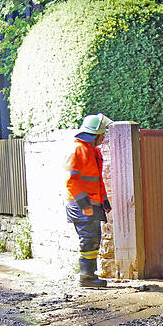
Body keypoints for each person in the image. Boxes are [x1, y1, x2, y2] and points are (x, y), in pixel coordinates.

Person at [65, 113, 114, 288]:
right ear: (94, 134)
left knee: (93, 238)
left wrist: (104, 201)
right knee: (89, 239)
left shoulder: (92, 151)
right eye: (102, 134)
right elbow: (72, 180)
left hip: (91, 203)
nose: (103, 137)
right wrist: (85, 205)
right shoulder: (78, 149)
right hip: (81, 205)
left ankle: (89, 275)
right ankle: (86, 277)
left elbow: (96, 181)